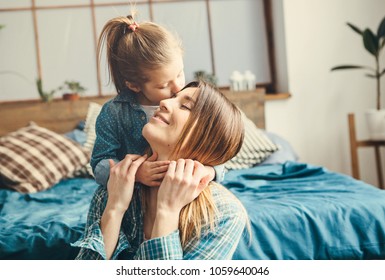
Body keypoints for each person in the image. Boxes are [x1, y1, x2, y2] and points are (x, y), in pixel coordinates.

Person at [73, 81, 249, 260]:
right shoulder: (114, 188)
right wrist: (114, 209)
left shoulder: (224, 215)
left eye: (185, 106)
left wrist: (167, 212)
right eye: (173, 97)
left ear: (208, 138)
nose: (164, 102)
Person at [91, 14, 223, 188]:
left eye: (180, 74)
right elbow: (99, 165)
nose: (177, 87)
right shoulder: (113, 113)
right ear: (134, 85)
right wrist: (136, 173)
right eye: (164, 85)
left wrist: (210, 171)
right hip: (131, 196)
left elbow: (217, 146)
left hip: (181, 192)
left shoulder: (191, 102)